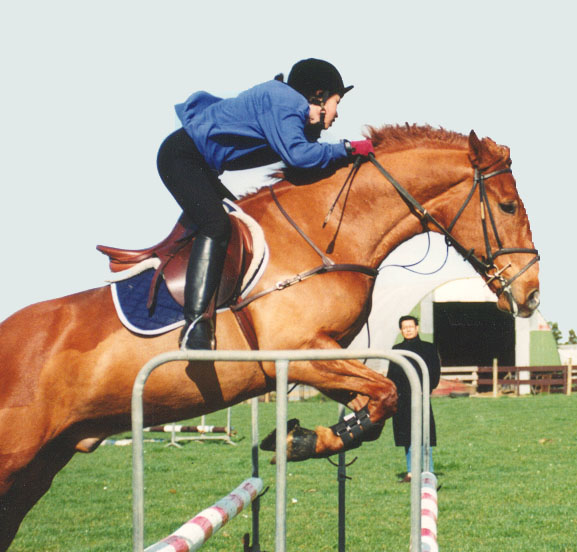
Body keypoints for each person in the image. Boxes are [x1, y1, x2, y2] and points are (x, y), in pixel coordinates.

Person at [156, 58, 375, 349]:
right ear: (319, 97)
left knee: (241, 225)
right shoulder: (286, 102)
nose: (337, 114)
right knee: (217, 225)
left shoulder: (287, 105)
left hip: (197, 164)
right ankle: (195, 323)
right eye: (337, 102)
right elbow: (299, 157)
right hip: (181, 158)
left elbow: (303, 160)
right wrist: (347, 148)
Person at [386, 315, 441, 482]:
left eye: (411, 326)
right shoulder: (396, 349)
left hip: (421, 397)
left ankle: (427, 471)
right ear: (401, 330)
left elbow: (435, 372)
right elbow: (391, 375)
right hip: (402, 400)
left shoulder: (429, 348)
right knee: (406, 436)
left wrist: (427, 390)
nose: (408, 329)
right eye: (405, 327)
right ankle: (411, 472)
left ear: (417, 328)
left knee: (424, 434)